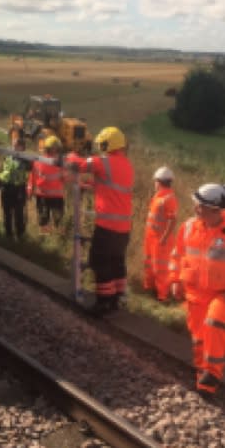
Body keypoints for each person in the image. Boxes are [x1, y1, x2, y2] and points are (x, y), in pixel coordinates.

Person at [169, 183, 225, 397]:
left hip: (224, 295)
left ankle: (213, 373)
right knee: (199, 338)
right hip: (194, 295)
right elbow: (177, 256)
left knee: (213, 323)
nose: (195, 209)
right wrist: (175, 280)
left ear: (214, 209)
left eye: (200, 206)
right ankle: (204, 382)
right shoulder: (189, 227)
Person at [68, 126, 134, 315]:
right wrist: (91, 185)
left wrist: (71, 155)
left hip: (107, 227)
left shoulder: (103, 162)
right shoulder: (127, 165)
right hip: (123, 228)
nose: (100, 149)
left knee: (98, 261)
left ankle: (104, 302)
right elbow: (110, 186)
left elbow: (79, 165)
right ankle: (117, 298)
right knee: (116, 262)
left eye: (102, 145)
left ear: (108, 144)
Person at [143, 166, 178, 301]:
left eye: (155, 181)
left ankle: (162, 296)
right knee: (149, 264)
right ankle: (149, 288)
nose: (154, 184)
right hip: (151, 237)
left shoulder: (169, 198)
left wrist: (164, 238)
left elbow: (172, 220)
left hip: (161, 239)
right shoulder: (158, 196)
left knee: (161, 268)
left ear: (159, 181)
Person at [27, 136, 65, 233]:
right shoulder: (61, 162)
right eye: (55, 148)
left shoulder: (39, 160)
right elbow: (33, 177)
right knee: (56, 219)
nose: (56, 150)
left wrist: (30, 191)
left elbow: (32, 178)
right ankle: (53, 238)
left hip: (45, 196)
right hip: (52, 196)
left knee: (48, 219)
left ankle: (50, 238)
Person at [0, 137, 30, 239]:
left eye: (17, 145)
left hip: (19, 190)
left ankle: (20, 234)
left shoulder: (26, 160)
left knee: (19, 214)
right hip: (6, 189)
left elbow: (31, 169)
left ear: (22, 147)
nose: (14, 147)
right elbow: (2, 172)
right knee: (7, 213)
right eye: (13, 145)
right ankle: (8, 234)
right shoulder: (8, 157)